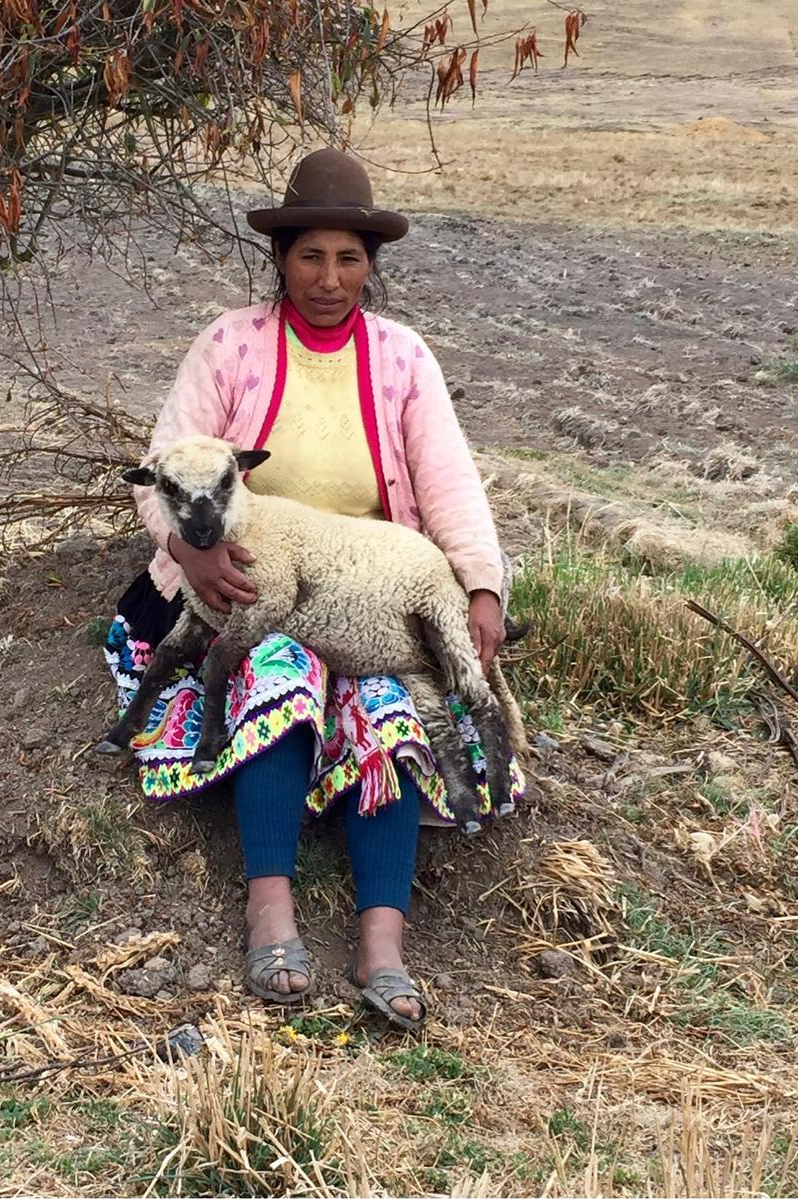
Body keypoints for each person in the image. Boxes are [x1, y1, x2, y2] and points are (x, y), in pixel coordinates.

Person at [103, 148, 525, 1031]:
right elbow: (165, 468)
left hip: (367, 587)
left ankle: (381, 935)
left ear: (371, 266)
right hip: (251, 577)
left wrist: (480, 587)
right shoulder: (230, 346)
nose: (330, 279)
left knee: (390, 701)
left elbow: (448, 483)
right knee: (273, 668)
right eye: (310, 257)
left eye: (349, 259)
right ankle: (270, 908)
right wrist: (189, 548)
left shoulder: (404, 359)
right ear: (280, 259)